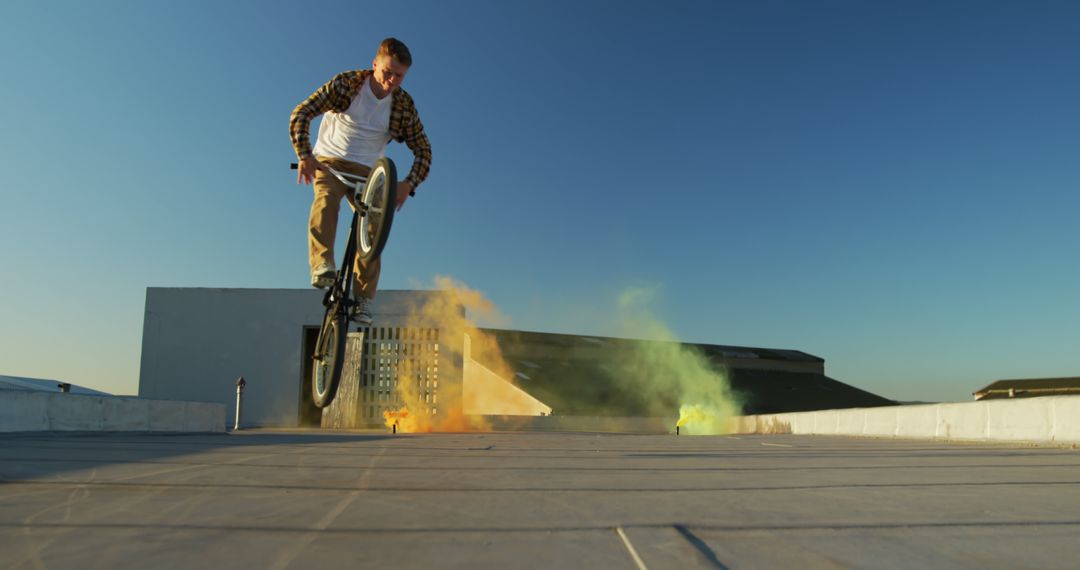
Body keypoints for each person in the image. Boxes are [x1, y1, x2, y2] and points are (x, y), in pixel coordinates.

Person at [289, 37, 431, 325]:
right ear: (375, 64)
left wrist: (408, 184)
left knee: (373, 229)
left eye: (399, 76)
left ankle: (363, 298)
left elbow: (424, 151)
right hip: (330, 162)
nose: (391, 81)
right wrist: (305, 155)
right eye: (387, 72)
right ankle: (322, 265)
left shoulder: (402, 105)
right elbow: (301, 113)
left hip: (370, 173)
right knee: (326, 201)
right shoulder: (346, 85)